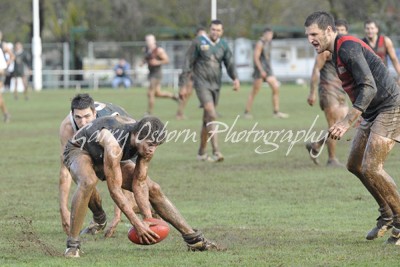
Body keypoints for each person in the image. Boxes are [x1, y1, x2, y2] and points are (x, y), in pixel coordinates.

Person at [305, 11, 400, 245]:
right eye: (308, 35)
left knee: (371, 166)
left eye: (314, 34)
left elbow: (368, 87)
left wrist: (346, 121)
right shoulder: (336, 51)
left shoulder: (346, 47)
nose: (311, 39)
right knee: (355, 165)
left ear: (329, 30)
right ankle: (387, 215)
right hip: (372, 111)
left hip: (390, 106)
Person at [62, 115, 218, 257]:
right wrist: (136, 223)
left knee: (154, 189)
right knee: (88, 181)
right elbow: (115, 190)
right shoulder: (114, 144)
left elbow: (140, 182)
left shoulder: (148, 140)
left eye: (156, 145)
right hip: (80, 150)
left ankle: (193, 238)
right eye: (150, 145)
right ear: (136, 137)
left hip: (109, 156)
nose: (152, 150)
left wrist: (147, 219)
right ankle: (72, 245)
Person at [59, 94, 137, 238]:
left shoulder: (113, 126)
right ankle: (99, 218)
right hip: (93, 141)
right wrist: (63, 209)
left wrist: (117, 216)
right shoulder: (68, 127)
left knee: (133, 194)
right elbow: (65, 170)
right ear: (72, 114)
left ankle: (152, 214)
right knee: (85, 179)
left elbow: (116, 172)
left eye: (87, 116)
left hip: (123, 138)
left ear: (94, 113)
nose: (83, 122)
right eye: (78, 117)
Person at [180, 19, 240, 162]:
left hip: (216, 85)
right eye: (213, 29)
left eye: (218, 30)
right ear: (209, 29)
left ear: (222, 31)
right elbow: (187, 62)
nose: (215, 32)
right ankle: (216, 151)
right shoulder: (199, 42)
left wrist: (235, 78)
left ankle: (201, 153)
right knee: (212, 115)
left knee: (207, 120)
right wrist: (183, 85)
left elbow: (229, 63)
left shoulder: (223, 45)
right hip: (201, 84)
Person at [305, 19, 350, 167]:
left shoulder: (345, 49)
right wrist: (312, 92)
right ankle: (332, 159)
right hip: (327, 89)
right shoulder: (326, 50)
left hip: (341, 91)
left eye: (344, 30)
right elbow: (316, 70)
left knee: (343, 124)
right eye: (339, 30)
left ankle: (316, 144)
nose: (341, 33)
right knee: (334, 124)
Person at [243, 27, 288, 119]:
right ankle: (246, 112)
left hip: (268, 70)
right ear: (265, 34)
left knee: (275, 88)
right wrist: (261, 70)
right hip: (260, 70)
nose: (271, 37)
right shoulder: (260, 43)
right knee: (255, 91)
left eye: (272, 35)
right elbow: (255, 58)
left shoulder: (269, 43)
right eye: (270, 35)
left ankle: (276, 112)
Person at [141, 34, 178, 115]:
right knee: (157, 93)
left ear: (154, 41)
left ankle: (149, 112)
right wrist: (142, 62)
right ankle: (174, 96)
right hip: (151, 73)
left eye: (150, 40)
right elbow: (146, 58)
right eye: (147, 40)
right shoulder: (146, 49)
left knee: (150, 93)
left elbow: (167, 60)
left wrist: (158, 62)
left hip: (157, 74)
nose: (149, 42)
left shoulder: (159, 50)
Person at [176, 26, 207, 120]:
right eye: (200, 34)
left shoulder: (204, 46)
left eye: (204, 35)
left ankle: (207, 108)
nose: (202, 36)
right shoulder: (194, 45)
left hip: (200, 74)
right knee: (187, 93)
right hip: (191, 73)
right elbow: (188, 61)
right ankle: (179, 113)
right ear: (196, 35)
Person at [362, 19, 400, 83]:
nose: (370, 31)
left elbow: (394, 59)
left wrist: (399, 74)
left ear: (377, 29)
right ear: (364, 30)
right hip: (368, 78)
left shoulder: (385, 41)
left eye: (372, 28)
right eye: (367, 28)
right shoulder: (361, 43)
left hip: (384, 76)